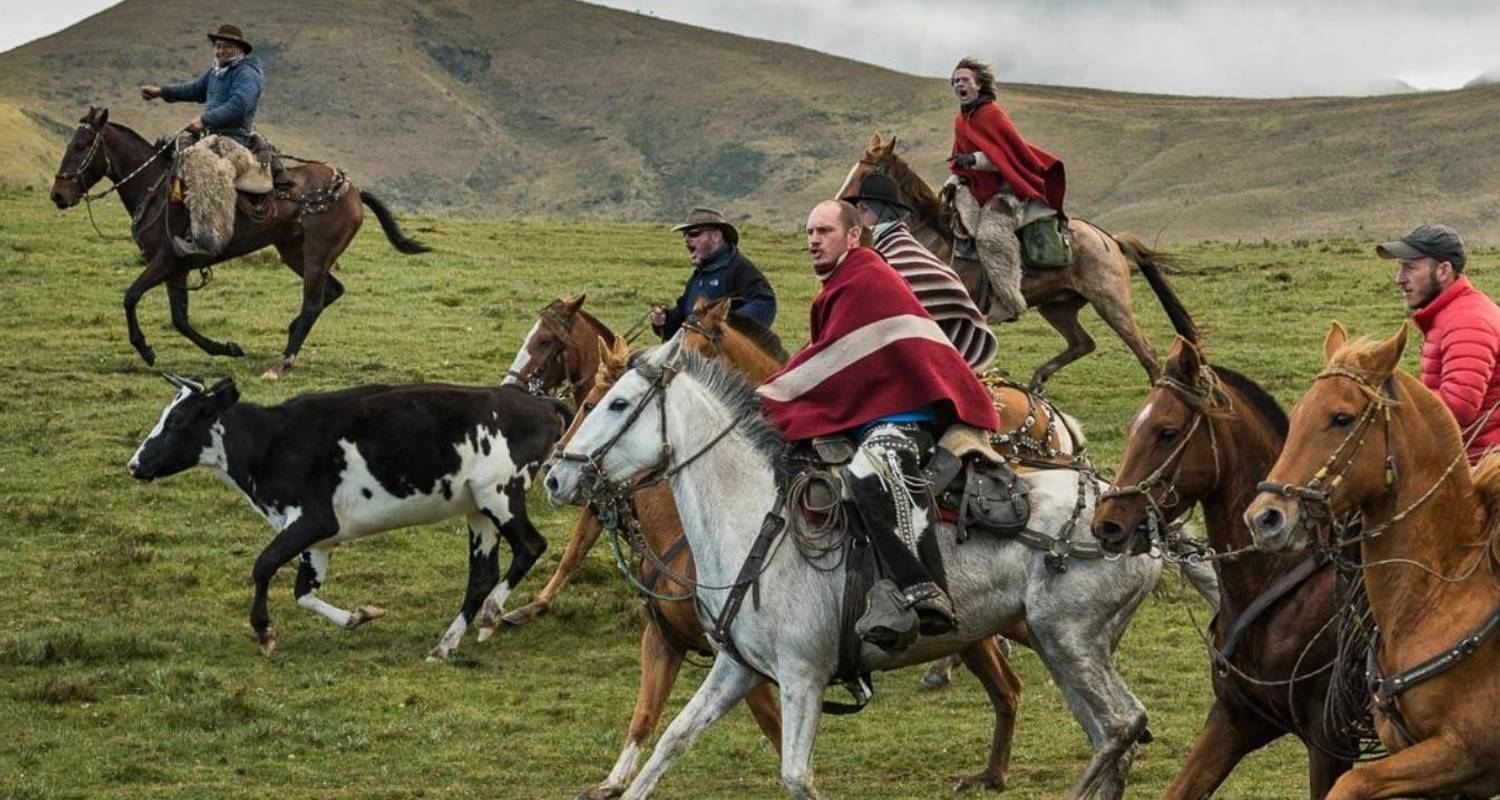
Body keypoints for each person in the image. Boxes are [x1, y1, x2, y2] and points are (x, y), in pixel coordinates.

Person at [758, 200, 999, 651]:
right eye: (809, 232)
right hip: (871, 414)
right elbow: (840, 362)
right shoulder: (837, 287)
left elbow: (832, 362)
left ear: (853, 236)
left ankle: (923, 591)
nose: (813, 240)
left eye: (824, 231)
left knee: (871, 472)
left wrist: (772, 396)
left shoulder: (866, 278)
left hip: (907, 417)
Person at [945, 57, 1066, 322]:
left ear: (978, 85)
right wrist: (954, 180)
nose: (958, 85)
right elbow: (959, 159)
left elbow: (1007, 157)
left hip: (1008, 190)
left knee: (990, 236)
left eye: (964, 80)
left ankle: (1009, 300)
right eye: (955, 81)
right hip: (977, 189)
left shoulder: (992, 114)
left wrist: (976, 160)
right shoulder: (961, 120)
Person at [844, 173, 998, 371]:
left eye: (864, 209)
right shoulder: (878, 252)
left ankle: (1006, 294)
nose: (858, 217)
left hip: (923, 363)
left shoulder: (906, 255)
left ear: (885, 211)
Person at [1380, 223, 1500, 462]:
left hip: (1481, 467)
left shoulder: (1468, 321)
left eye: (1410, 268)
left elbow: (1457, 408)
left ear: (1443, 271)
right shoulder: (1449, 315)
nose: (1399, 279)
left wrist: (1388, 401)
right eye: (1400, 267)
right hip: (1463, 457)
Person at [140, 24, 289, 190]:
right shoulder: (217, 71)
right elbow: (196, 90)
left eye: (228, 47)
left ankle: (215, 214)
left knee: (211, 180)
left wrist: (205, 119)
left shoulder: (246, 73)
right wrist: (161, 92)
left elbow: (239, 105)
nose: (221, 51)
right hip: (210, 136)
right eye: (218, 46)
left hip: (234, 138)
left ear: (240, 50)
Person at [650, 207, 777, 340]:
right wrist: (663, 320)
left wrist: (725, 326)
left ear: (716, 236)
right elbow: (684, 316)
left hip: (729, 356)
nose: (687, 239)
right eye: (685, 235)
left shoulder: (739, 268)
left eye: (694, 233)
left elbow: (765, 303)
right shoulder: (698, 276)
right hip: (696, 353)